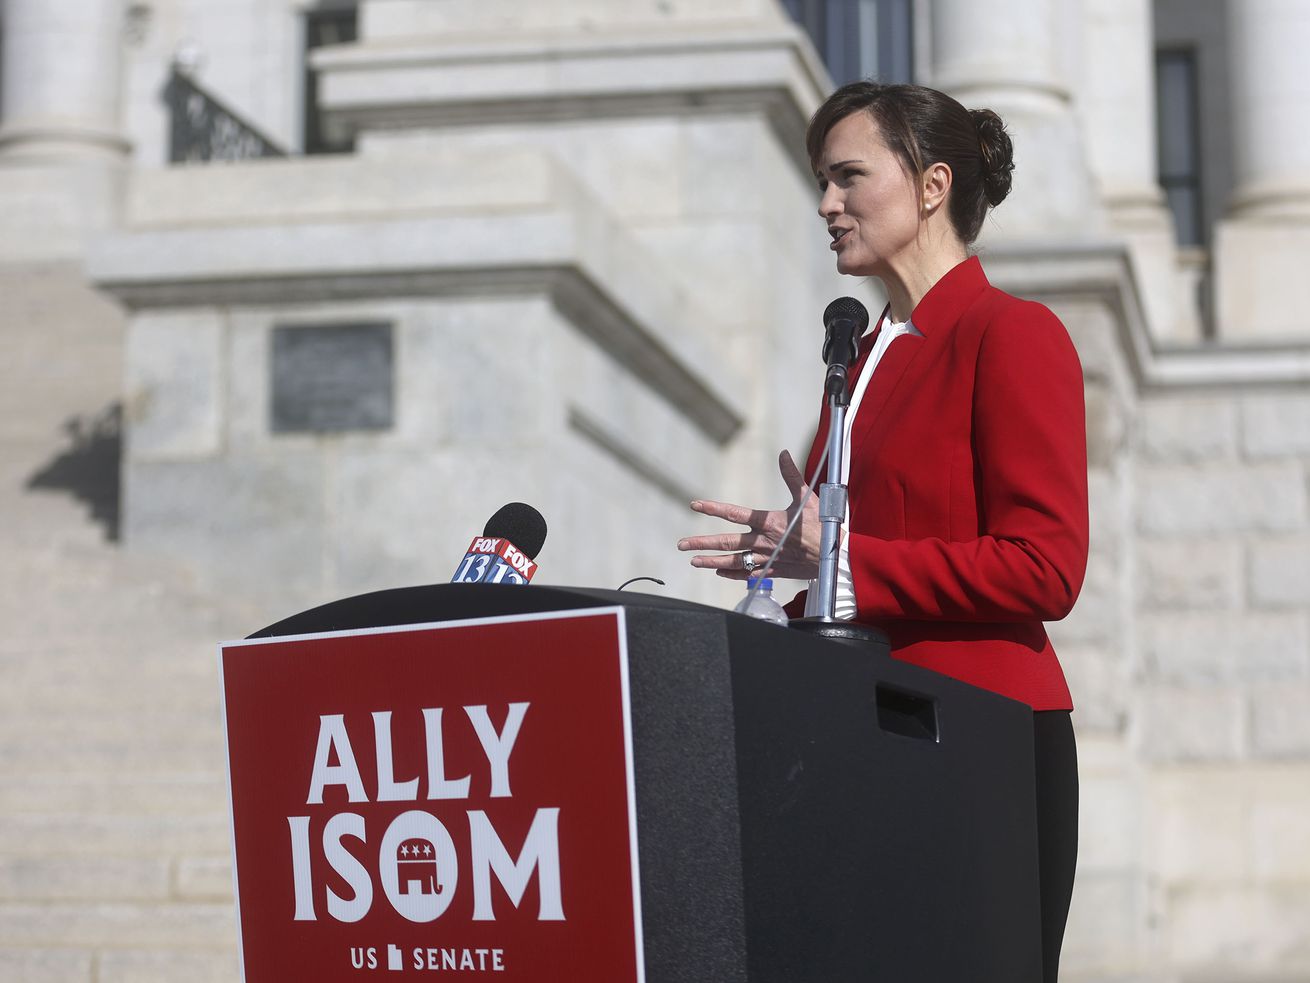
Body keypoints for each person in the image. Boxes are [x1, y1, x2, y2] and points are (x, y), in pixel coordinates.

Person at [676, 81, 1088, 982]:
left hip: (980, 743)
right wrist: (779, 593)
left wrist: (842, 561)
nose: (826, 205)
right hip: (853, 737)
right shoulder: (856, 358)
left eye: (848, 177)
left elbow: (1046, 567)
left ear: (932, 184)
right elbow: (850, 566)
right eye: (822, 181)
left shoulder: (1011, 334)